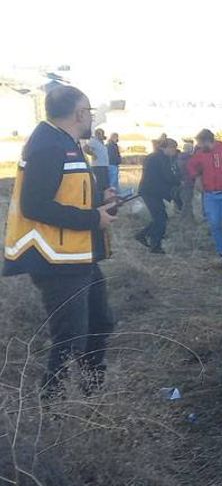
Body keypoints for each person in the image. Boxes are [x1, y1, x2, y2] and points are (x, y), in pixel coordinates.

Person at [2, 85, 118, 398]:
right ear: (80, 114)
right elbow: (35, 205)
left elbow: (65, 192)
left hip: (77, 255)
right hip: (56, 260)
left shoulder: (63, 141)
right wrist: (93, 219)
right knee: (70, 337)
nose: (91, 117)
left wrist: (98, 200)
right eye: (89, 111)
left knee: (100, 323)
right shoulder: (48, 145)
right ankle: (54, 406)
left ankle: (93, 392)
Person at [135, 138, 181, 253]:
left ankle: (145, 236)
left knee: (160, 218)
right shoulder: (161, 159)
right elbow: (167, 176)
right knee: (161, 219)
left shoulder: (154, 156)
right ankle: (154, 245)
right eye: (173, 148)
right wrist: (179, 181)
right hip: (151, 192)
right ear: (167, 147)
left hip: (150, 191)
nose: (175, 151)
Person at [83, 127, 111, 194]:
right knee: (100, 184)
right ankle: (100, 199)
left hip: (104, 165)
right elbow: (85, 148)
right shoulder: (93, 141)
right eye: (101, 133)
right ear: (97, 134)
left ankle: (106, 197)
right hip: (98, 166)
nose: (103, 135)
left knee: (106, 184)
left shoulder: (101, 142)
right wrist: (92, 154)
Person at [176, 139, 196, 222]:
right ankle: (181, 219)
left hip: (181, 182)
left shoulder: (179, 158)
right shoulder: (189, 159)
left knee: (187, 201)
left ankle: (191, 219)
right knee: (187, 202)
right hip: (188, 182)